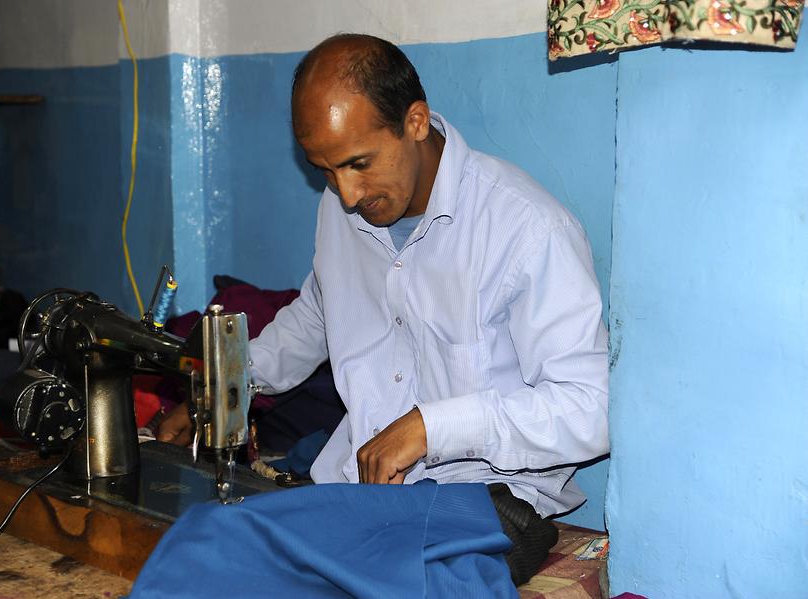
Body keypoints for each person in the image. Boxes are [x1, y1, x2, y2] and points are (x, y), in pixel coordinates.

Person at [159, 33, 608, 584]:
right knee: (205, 544)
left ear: (415, 121)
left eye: (359, 164)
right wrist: (225, 389)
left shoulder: (525, 228)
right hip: (357, 494)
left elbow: (589, 410)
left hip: (480, 503)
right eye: (325, 170)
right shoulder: (343, 211)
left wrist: (432, 427)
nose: (347, 194)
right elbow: (318, 317)